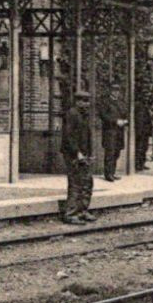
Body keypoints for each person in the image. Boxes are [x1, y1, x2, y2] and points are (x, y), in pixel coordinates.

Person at [60, 84, 97, 224]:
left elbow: (86, 137)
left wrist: (89, 153)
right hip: (73, 155)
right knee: (75, 183)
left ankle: (82, 211)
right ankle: (70, 213)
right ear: (77, 101)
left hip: (83, 154)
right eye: (84, 101)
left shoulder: (83, 115)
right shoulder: (72, 114)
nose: (86, 104)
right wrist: (77, 152)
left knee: (87, 182)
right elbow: (69, 136)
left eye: (87, 101)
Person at [100, 85, 129, 181]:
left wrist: (125, 121)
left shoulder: (121, 103)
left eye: (118, 90)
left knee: (117, 152)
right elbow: (103, 115)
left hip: (119, 131)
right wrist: (115, 121)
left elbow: (126, 113)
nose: (116, 92)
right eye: (114, 90)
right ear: (110, 91)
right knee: (110, 152)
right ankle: (108, 174)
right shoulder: (105, 102)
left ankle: (113, 171)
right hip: (110, 131)